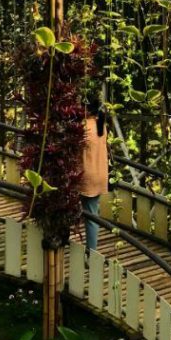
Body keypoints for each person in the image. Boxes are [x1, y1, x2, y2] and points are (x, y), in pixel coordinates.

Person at [80, 97, 108, 251]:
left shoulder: (83, 127)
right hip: (100, 174)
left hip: (86, 175)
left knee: (87, 215)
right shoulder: (101, 124)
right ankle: (91, 252)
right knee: (92, 214)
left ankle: (90, 252)